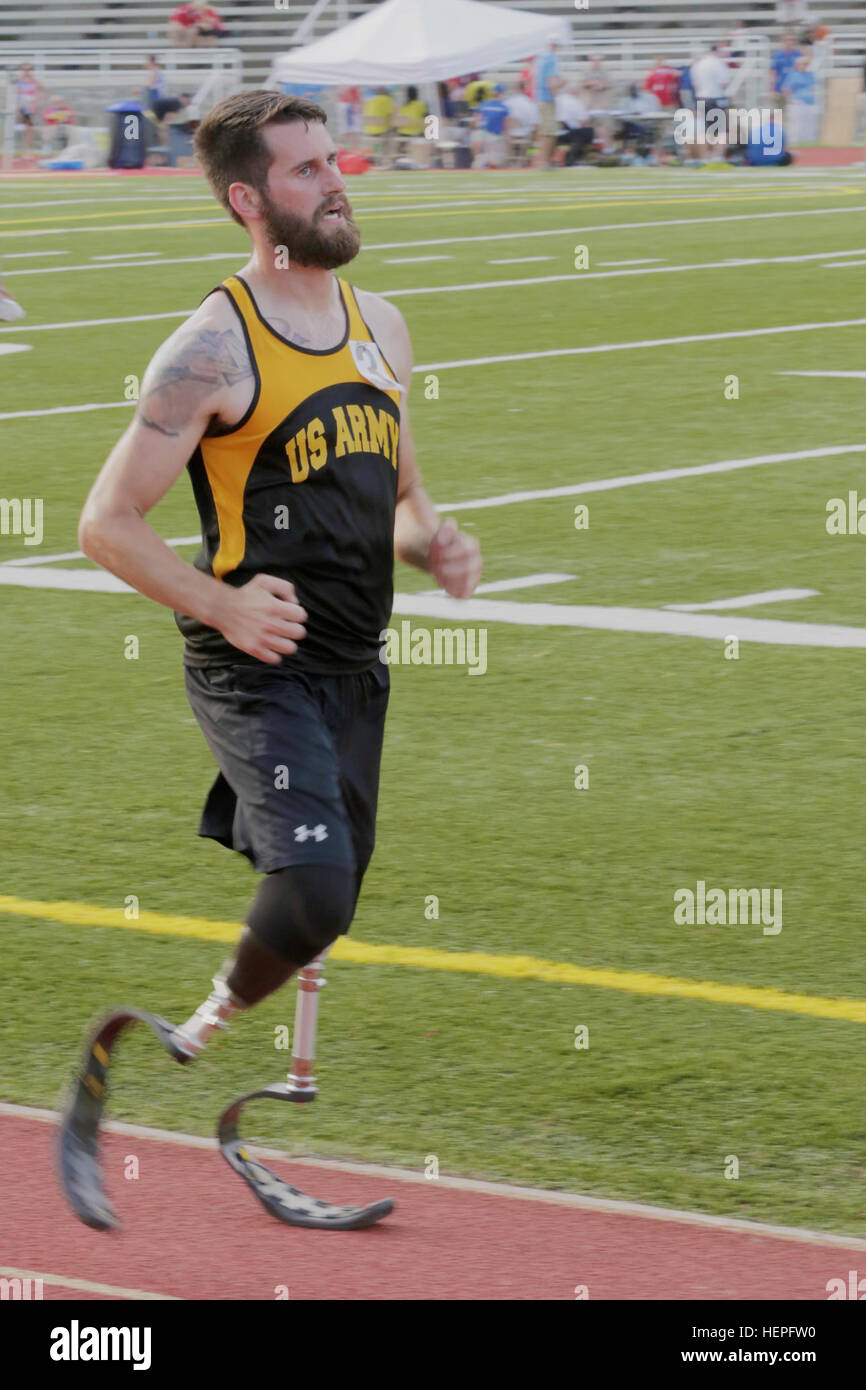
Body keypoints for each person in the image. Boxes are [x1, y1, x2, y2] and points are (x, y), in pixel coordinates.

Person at [75, 91, 482, 1062]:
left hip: (352, 663)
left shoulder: (380, 324)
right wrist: (221, 604)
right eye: (307, 171)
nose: (336, 183)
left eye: (332, 161)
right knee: (312, 886)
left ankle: (213, 1044)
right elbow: (104, 523)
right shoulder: (209, 350)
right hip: (252, 662)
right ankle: (191, 1036)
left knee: (326, 897)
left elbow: (398, 492)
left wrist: (429, 541)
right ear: (249, 203)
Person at [535, 41, 563, 166]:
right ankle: (545, 162)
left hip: (541, 98)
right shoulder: (551, 58)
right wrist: (555, 95)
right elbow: (551, 80)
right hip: (547, 99)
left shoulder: (541, 58)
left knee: (546, 132)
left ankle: (546, 161)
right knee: (549, 133)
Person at [471, 84, 510, 168]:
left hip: (481, 135)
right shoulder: (503, 107)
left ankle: (480, 161)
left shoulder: (483, 104)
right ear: (501, 94)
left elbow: (475, 120)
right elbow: (506, 126)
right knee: (496, 162)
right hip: (494, 138)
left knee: (480, 157)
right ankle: (485, 162)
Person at [783, 53, 819, 143]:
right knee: (796, 123)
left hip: (809, 101)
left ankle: (810, 140)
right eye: (802, 64)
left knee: (810, 122)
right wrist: (789, 99)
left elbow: (815, 86)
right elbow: (786, 88)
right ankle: (794, 140)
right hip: (797, 101)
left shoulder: (811, 75)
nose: (804, 66)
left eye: (806, 64)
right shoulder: (793, 75)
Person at [503, 80, 538, 166]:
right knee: (536, 137)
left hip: (509, 134)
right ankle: (530, 158)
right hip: (524, 134)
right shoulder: (529, 103)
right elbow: (535, 123)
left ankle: (510, 157)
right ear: (524, 89)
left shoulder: (507, 102)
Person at [14, 62, 43, 157]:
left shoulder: (34, 81)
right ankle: (24, 149)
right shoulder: (19, 81)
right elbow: (16, 94)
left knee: (29, 128)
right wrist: (18, 106)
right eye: (25, 69)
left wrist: (35, 104)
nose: (27, 71)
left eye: (29, 69)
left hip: (30, 106)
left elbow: (38, 93)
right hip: (22, 106)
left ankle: (28, 149)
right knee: (23, 128)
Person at [362, 86, 394, 161]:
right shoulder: (387, 100)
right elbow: (390, 115)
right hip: (381, 131)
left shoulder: (369, 100)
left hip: (368, 130)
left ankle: (375, 153)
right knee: (390, 135)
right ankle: (385, 156)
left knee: (379, 138)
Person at [771, 34, 803, 109]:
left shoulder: (798, 55)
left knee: (794, 115)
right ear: (783, 42)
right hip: (780, 90)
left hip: (795, 91)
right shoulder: (777, 55)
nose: (789, 42)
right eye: (787, 40)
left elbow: (802, 73)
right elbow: (773, 74)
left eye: (792, 40)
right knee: (779, 114)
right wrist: (772, 90)